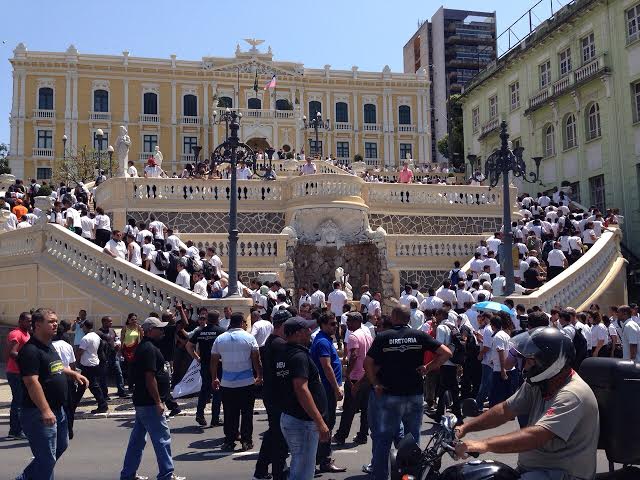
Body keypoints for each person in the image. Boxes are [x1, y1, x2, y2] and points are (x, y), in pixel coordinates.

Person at [455, 327, 599, 480]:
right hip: (533, 470)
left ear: (550, 362)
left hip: (563, 474)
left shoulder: (572, 394)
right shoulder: (541, 382)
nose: (525, 367)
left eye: (531, 361)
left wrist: (484, 445)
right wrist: (465, 428)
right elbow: (506, 409)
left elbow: (537, 435)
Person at [364, 305, 452, 480]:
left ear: (394, 317)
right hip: (414, 395)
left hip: (390, 394)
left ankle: (379, 476)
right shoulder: (419, 335)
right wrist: (428, 368)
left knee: (383, 440)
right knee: (412, 440)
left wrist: (375, 384)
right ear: (408, 318)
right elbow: (446, 353)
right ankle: (412, 475)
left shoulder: (383, 337)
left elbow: (368, 363)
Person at [16, 308, 88, 480]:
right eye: (51, 321)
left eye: (56, 320)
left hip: (58, 410)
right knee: (47, 460)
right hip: (38, 413)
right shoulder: (30, 351)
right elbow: (31, 382)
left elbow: (54, 366)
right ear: (38, 325)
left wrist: (73, 373)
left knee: (60, 447)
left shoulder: (49, 345)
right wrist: (45, 410)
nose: (55, 324)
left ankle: (25, 477)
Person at [119, 317, 186, 480]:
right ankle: (166, 474)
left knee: (137, 441)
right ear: (150, 331)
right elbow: (150, 377)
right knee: (162, 439)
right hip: (149, 402)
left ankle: (128, 475)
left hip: (143, 402)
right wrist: (158, 401)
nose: (163, 331)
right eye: (159, 328)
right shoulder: (148, 348)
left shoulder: (148, 346)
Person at [276, 316, 329, 480]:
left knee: (299, 466)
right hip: (302, 422)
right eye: (307, 329)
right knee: (303, 472)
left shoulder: (283, 353)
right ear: (298, 333)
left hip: (291, 416)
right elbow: (301, 388)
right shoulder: (299, 356)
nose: (310, 332)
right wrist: (320, 422)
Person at [211, 312, 263, 451]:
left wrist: (214, 377)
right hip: (246, 382)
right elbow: (256, 359)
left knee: (229, 413)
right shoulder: (249, 338)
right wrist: (259, 375)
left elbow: (214, 361)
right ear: (241, 323)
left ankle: (229, 440)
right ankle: (246, 441)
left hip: (227, 383)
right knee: (247, 413)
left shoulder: (220, 339)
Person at [253, 310, 291, 480]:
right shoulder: (280, 345)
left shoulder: (271, 341)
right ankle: (279, 471)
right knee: (279, 436)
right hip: (278, 396)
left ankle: (261, 469)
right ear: (283, 325)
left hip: (271, 394)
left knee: (273, 433)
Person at [310, 312, 346, 473]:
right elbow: (326, 366)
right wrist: (336, 388)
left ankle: (321, 459)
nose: (335, 326)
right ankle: (321, 460)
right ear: (323, 325)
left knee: (327, 425)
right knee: (326, 425)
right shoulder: (323, 342)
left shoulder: (325, 340)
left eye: (336, 323)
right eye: (332, 324)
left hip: (326, 389)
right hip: (326, 390)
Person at [333, 312, 373, 446]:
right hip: (366, 377)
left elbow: (354, 356)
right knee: (366, 409)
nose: (347, 324)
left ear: (356, 321)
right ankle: (363, 435)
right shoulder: (367, 334)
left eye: (349, 321)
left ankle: (341, 436)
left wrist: (348, 374)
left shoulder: (354, 336)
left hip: (355, 377)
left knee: (349, 409)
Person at [185, 310, 225, 427]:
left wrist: (197, 358)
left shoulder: (200, 331)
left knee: (204, 389)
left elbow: (189, 346)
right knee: (217, 391)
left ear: (207, 319)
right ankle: (215, 418)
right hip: (218, 364)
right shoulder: (221, 331)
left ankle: (200, 414)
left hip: (205, 364)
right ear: (217, 319)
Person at [6, 312, 31, 439]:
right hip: (15, 373)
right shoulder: (16, 334)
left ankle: (18, 429)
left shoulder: (26, 333)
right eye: (27, 321)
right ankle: (15, 431)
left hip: (22, 372)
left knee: (22, 401)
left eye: (31, 321)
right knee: (18, 401)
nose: (30, 323)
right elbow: (12, 353)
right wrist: (26, 360)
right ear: (20, 321)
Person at [77, 319, 109, 414]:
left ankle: (103, 404)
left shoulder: (85, 338)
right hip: (94, 362)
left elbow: (80, 352)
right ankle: (73, 403)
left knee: (93, 385)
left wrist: (76, 362)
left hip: (88, 364)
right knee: (83, 385)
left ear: (85, 327)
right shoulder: (96, 336)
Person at [97, 316, 127, 399]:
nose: (111, 323)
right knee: (103, 376)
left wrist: (118, 344)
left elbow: (116, 339)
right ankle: (104, 394)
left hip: (114, 356)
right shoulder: (99, 333)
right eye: (109, 322)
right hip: (105, 357)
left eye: (111, 321)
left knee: (119, 373)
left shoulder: (112, 330)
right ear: (103, 322)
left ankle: (121, 391)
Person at [121, 313, 143, 393]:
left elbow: (142, 338)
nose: (134, 321)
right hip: (127, 350)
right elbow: (122, 340)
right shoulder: (125, 328)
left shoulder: (138, 327)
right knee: (130, 369)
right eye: (132, 319)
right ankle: (130, 386)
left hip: (136, 349)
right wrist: (121, 351)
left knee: (137, 368)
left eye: (135, 319)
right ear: (129, 320)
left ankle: (137, 385)